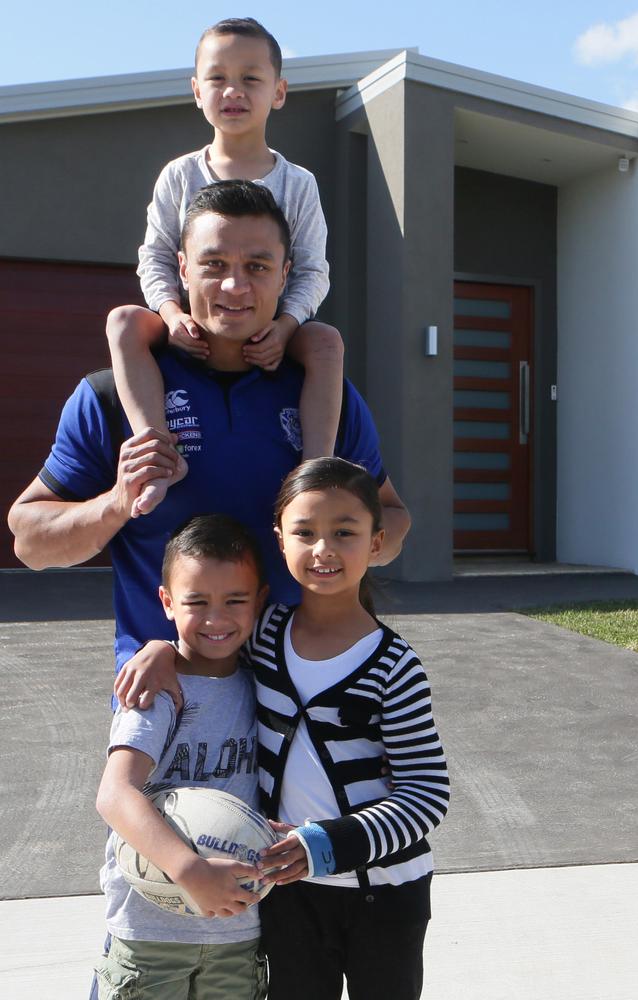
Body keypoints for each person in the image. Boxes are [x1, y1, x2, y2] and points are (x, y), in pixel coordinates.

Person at [8, 180, 411, 698]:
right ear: (181, 269)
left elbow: (393, 521)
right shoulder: (114, 397)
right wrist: (116, 503)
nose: (234, 287)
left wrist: (338, 540)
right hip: (170, 700)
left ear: (286, 275)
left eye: (257, 267)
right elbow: (30, 541)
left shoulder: (323, 393)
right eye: (214, 264)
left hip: (311, 701)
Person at [119, 458, 450, 1000]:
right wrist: (160, 649)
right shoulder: (265, 634)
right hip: (288, 895)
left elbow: (427, 794)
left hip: (385, 892)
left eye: (345, 533)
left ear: (376, 543)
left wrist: (322, 844)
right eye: (305, 533)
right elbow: (209, 638)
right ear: (280, 540)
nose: (323, 550)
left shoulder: (395, 665)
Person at [107, 16, 343, 517]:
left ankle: (316, 475)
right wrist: (172, 316)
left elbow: (312, 270)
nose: (232, 90)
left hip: (268, 331)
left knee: (325, 342)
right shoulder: (178, 175)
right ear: (196, 90)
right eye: (217, 78)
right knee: (123, 321)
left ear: (278, 91)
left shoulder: (298, 184)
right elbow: (154, 257)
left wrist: (286, 325)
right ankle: (157, 457)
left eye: (250, 78)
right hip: (190, 328)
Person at [94, 513, 271, 1000]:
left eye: (235, 600)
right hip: (149, 934)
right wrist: (188, 870)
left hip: (238, 930)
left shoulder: (264, 682)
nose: (216, 619)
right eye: (196, 602)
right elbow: (115, 793)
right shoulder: (158, 690)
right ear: (167, 603)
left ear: (259, 601)